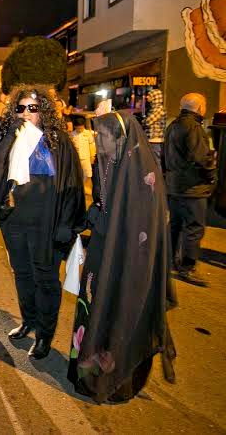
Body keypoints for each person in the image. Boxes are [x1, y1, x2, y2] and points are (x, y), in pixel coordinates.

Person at [68, 111, 176, 403]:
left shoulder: (143, 176)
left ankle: (117, 382)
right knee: (95, 310)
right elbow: (103, 205)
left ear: (120, 139)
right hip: (103, 254)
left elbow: (141, 229)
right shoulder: (108, 164)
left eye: (102, 136)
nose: (97, 140)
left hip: (127, 263)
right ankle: (88, 374)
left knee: (120, 315)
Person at [0, 85, 86, 359]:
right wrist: (9, 137)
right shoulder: (11, 137)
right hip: (15, 221)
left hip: (47, 222)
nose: (27, 113)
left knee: (45, 278)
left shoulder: (58, 141)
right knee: (22, 273)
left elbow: (73, 185)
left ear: (44, 110)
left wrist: (66, 224)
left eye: (33, 108)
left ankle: (44, 335)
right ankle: (28, 320)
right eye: (21, 108)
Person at [163, 92, 217, 287]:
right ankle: (187, 267)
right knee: (194, 228)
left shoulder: (172, 126)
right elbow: (202, 158)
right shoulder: (193, 127)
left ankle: (168, 261)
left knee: (175, 225)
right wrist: (212, 176)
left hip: (174, 186)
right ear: (200, 108)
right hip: (192, 188)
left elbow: (165, 156)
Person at [70, 116, 96, 181]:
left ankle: (86, 186)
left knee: (87, 174)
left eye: (81, 128)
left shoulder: (88, 133)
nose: (80, 130)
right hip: (76, 158)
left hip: (86, 158)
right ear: (75, 127)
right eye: (78, 128)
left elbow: (91, 145)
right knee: (77, 174)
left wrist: (92, 156)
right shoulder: (72, 135)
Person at [143, 89, 166, 163]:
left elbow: (148, 121)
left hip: (155, 140)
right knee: (152, 161)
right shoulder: (153, 108)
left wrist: (143, 121)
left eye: (149, 95)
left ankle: (157, 171)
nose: (147, 97)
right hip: (152, 139)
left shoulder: (159, 109)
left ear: (155, 97)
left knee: (155, 161)